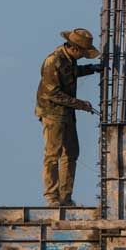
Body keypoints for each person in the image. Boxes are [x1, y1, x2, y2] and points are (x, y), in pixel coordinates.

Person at [36, 27, 101, 206]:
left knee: (71, 152)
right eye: (84, 53)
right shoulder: (53, 61)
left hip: (66, 112)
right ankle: (52, 197)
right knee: (52, 154)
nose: (83, 56)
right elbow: (53, 94)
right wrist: (80, 104)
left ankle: (65, 197)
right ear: (74, 48)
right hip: (51, 113)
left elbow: (72, 73)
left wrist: (91, 68)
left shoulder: (69, 59)